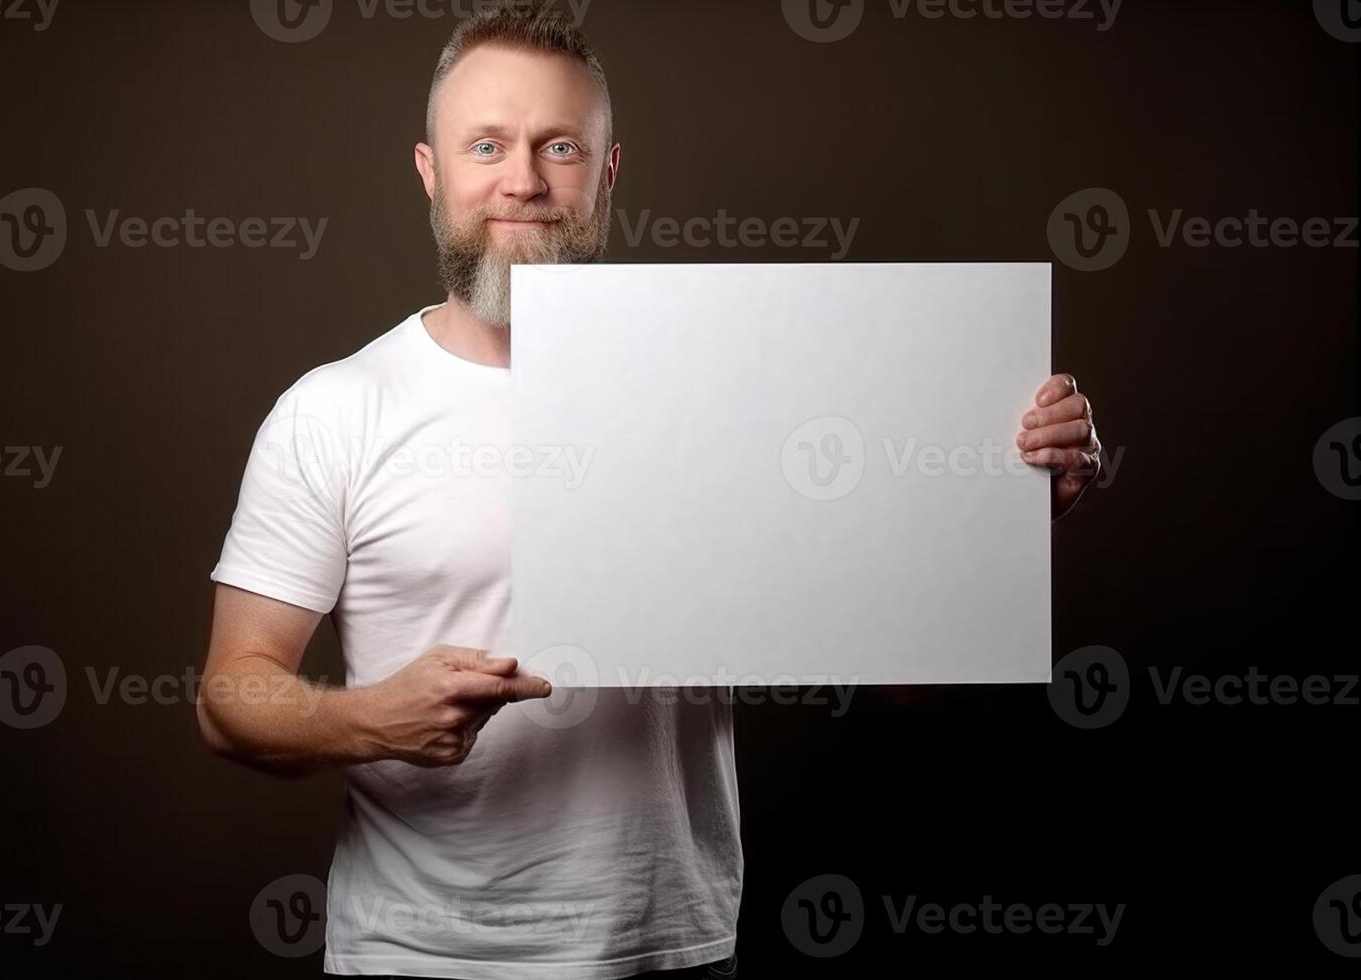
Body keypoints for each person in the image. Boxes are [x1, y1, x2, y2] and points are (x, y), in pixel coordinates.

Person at [197, 4, 1102, 978]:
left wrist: (1002, 514)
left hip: (674, 946)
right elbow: (226, 697)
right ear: (430, 169)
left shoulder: (721, 385)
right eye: (487, 144)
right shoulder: (336, 408)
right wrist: (373, 716)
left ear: (608, 171)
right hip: (424, 952)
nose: (524, 181)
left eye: (560, 148)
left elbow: (895, 670)